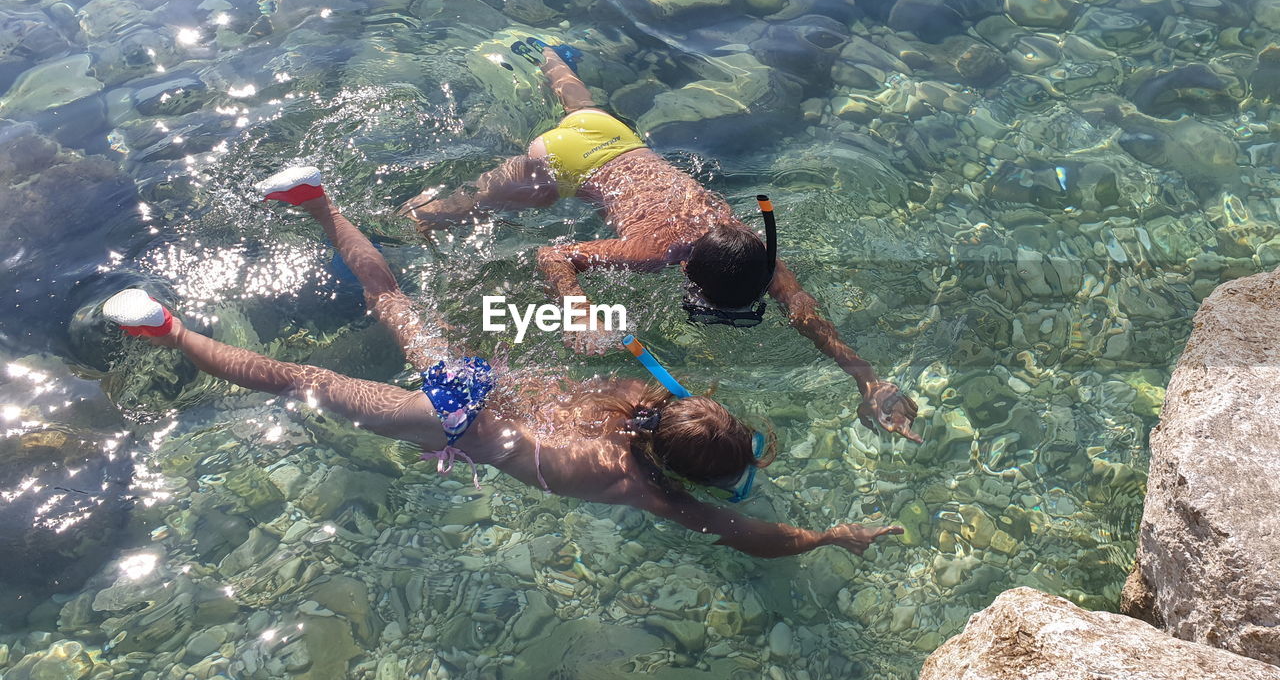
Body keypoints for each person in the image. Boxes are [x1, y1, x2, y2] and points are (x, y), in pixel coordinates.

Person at [102, 166, 902, 560]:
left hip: (487, 383)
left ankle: (320, 202)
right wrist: (828, 536)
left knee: (395, 303)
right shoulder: (645, 488)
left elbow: (593, 384)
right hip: (458, 415)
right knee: (304, 380)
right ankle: (170, 332)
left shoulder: (649, 396)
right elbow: (749, 534)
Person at [398, 48, 922, 444]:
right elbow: (551, 254)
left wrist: (868, 382)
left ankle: (550, 55)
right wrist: (578, 312)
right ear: (690, 275)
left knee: (575, 99)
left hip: (614, 136)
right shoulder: (656, 251)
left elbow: (805, 312)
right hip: (561, 163)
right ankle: (419, 209)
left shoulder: (750, 248)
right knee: (464, 209)